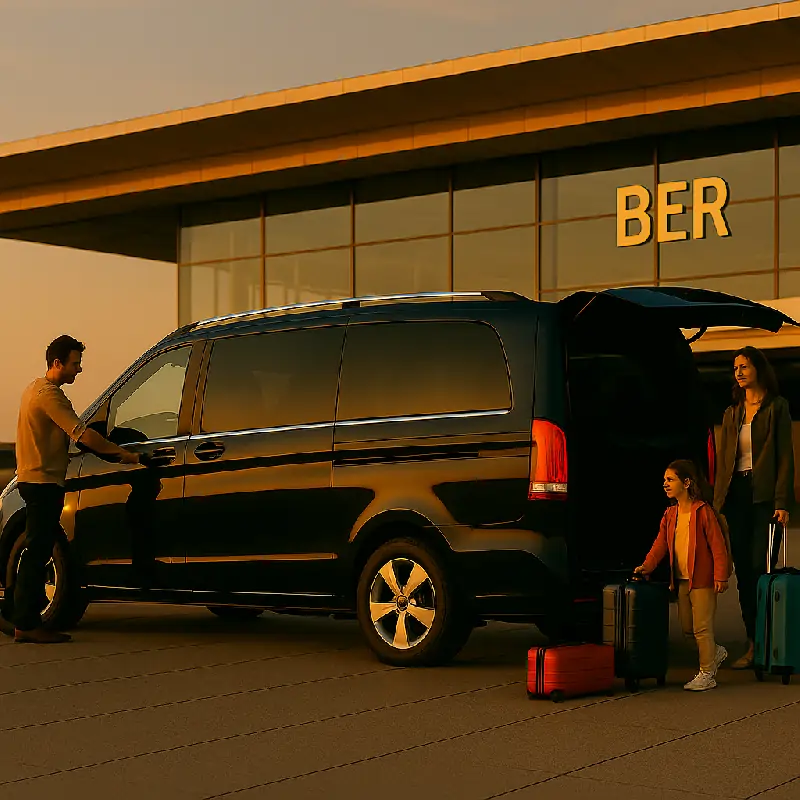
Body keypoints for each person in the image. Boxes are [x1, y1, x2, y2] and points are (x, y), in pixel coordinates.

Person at [0, 335, 140, 644]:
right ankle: (25, 623)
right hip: (44, 483)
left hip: (31, 480)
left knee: (35, 550)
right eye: (75, 363)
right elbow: (82, 435)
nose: (79, 369)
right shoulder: (51, 396)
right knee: (38, 552)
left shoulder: (32, 389)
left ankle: (17, 615)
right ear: (57, 363)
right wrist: (122, 454)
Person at [713, 346, 794, 670]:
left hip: (764, 498)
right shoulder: (732, 413)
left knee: (762, 569)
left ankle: (771, 642)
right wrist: (717, 504)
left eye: (745, 366)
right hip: (736, 497)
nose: (739, 372)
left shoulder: (776, 407)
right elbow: (723, 462)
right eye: (735, 368)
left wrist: (782, 502)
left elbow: (785, 456)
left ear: (759, 369)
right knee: (744, 573)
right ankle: (753, 643)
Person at [635, 460, 730, 692]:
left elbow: (718, 547)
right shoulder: (670, 514)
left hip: (703, 580)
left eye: (670, 479)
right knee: (688, 630)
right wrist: (646, 566)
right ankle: (715, 652)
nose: (665, 484)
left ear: (686, 483)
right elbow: (660, 545)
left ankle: (707, 673)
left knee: (702, 629)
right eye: (664, 480)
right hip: (682, 580)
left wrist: (721, 575)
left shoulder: (703, 512)